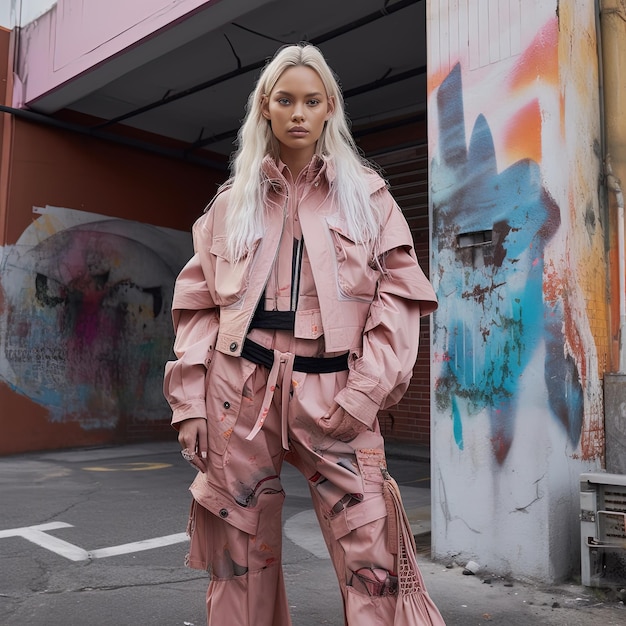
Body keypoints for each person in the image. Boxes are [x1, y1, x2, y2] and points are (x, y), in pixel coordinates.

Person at [164, 43, 444, 626]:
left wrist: (367, 391)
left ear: (329, 109)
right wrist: (190, 402)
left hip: (336, 389)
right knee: (238, 548)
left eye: (311, 101)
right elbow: (197, 305)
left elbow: (400, 298)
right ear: (265, 108)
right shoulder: (230, 203)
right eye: (285, 100)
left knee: (369, 544)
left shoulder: (369, 197)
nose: (298, 113)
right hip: (239, 390)